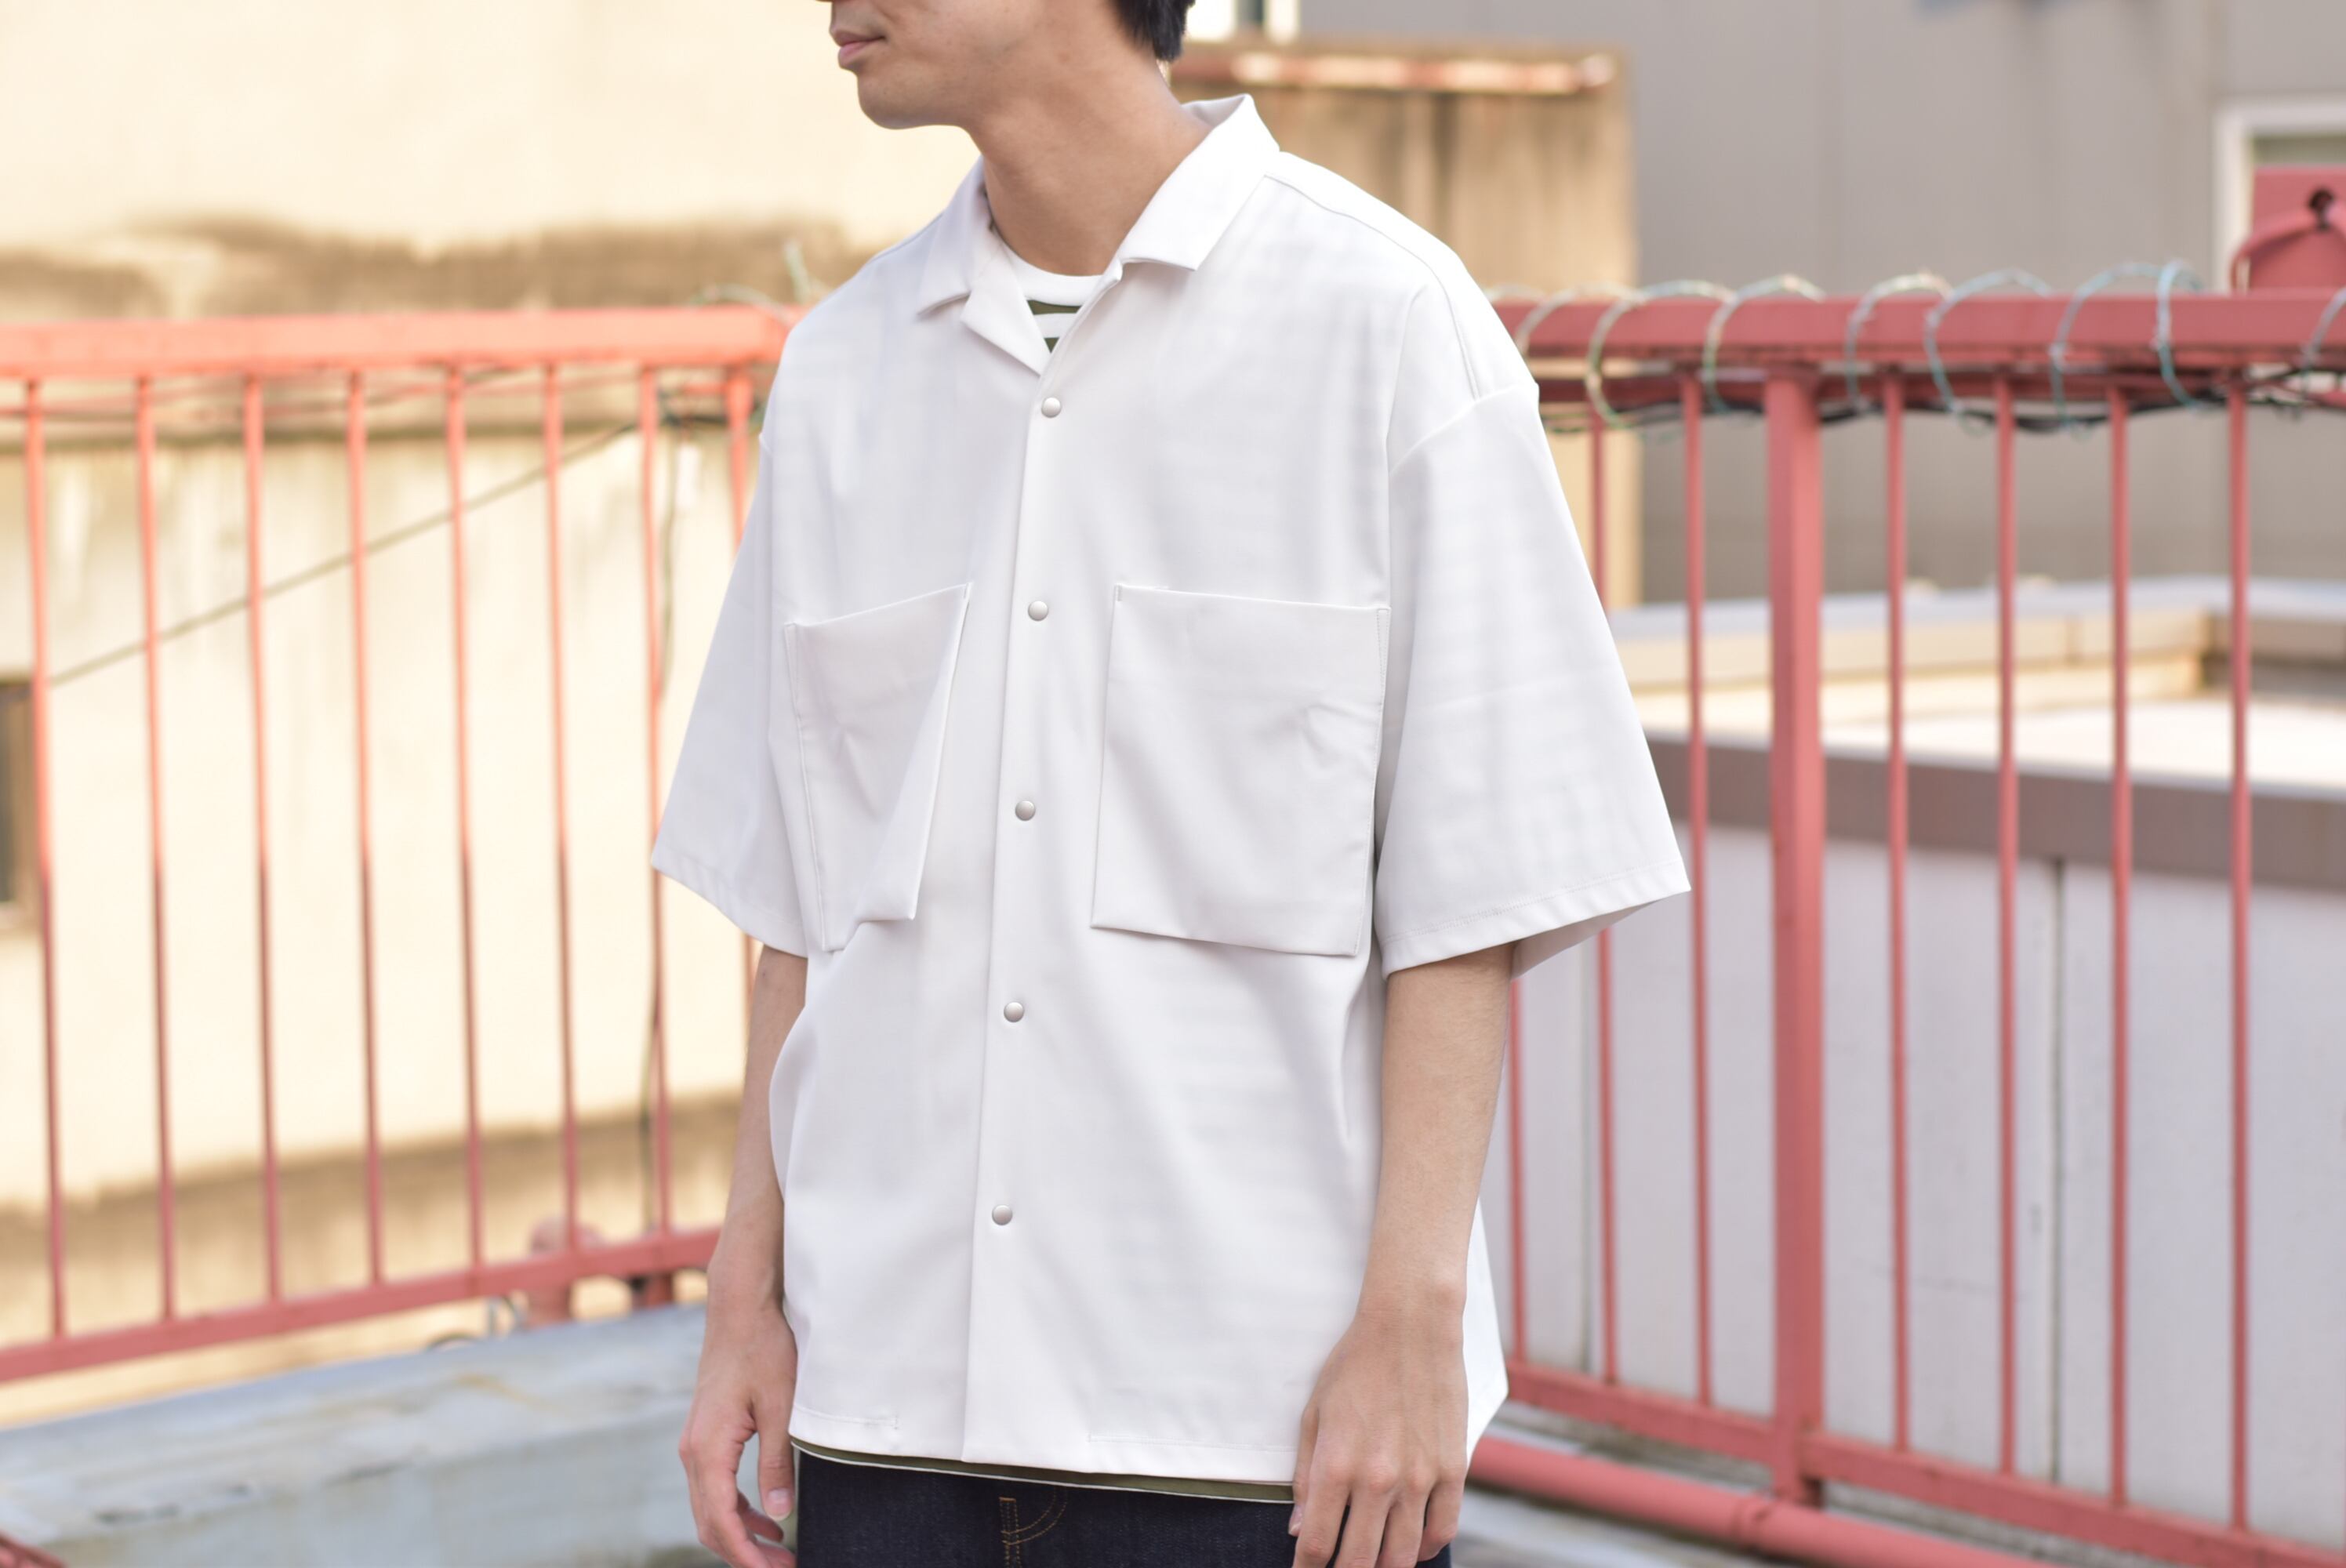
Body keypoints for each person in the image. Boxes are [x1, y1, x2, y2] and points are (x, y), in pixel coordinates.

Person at [655, 0, 1687, 1563]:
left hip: (1252, 1438)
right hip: (884, 1421)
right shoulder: (844, 371)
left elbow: (1471, 892)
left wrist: (1410, 1323)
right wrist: (746, 1294)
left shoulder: (1384, 326)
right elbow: (801, 912)